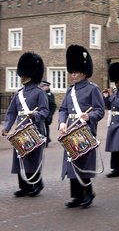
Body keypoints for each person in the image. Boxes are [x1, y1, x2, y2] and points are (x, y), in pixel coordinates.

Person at [58, 45, 105, 208]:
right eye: (71, 72)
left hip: (84, 131)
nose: (73, 75)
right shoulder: (70, 91)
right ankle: (77, 196)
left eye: (76, 72)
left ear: (84, 72)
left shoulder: (93, 89)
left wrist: (89, 116)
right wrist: (62, 122)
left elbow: (100, 110)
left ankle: (88, 192)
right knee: (72, 162)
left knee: (83, 163)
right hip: (70, 130)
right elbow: (63, 109)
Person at [2, 52, 49, 197]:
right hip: (21, 131)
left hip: (34, 129)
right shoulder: (18, 94)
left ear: (32, 75)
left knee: (32, 158)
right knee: (20, 157)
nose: (22, 77)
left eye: (25, 75)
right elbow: (11, 113)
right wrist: (7, 127)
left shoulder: (39, 93)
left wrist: (35, 115)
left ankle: (36, 183)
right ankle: (24, 186)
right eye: (21, 75)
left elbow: (45, 111)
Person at [39, 80, 56, 147]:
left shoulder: (49, 95)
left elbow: (53, 106)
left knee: (45, 128)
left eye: (44, 86)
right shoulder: (40, 93)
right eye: (42, 86)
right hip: (40, 114)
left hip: (47, 115)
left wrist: (50, 115)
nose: (42, 87)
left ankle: (46, 140)